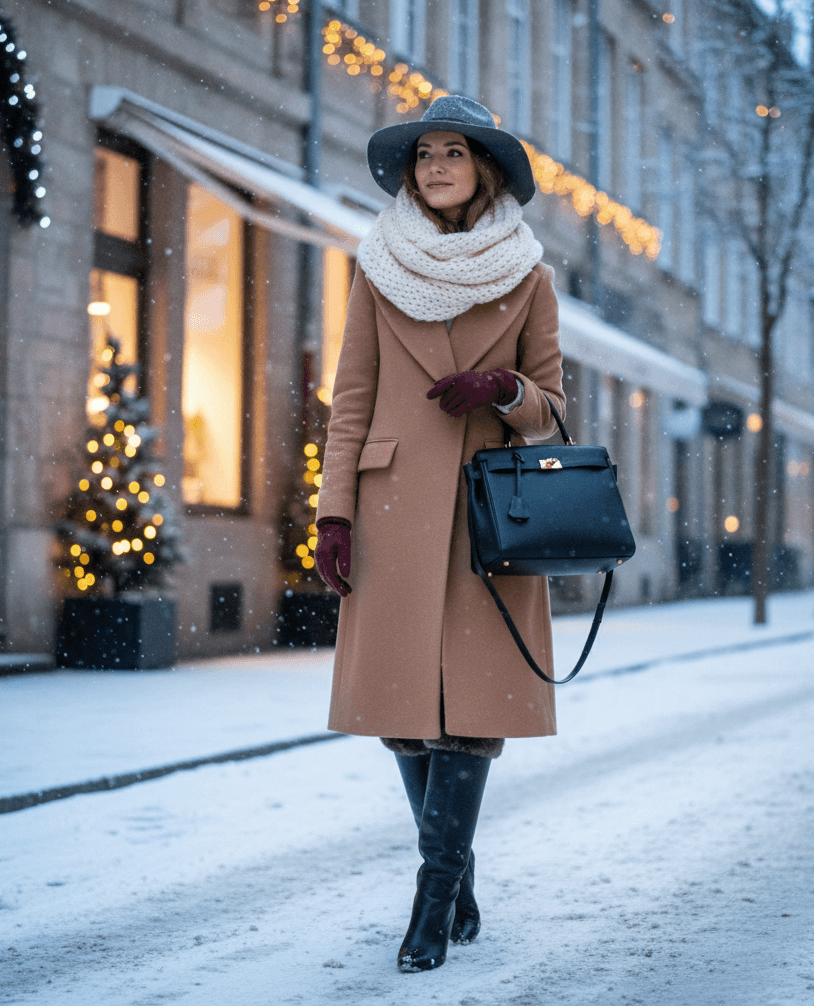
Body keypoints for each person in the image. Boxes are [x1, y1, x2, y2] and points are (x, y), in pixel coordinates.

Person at [314, 95, 565, 973]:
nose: (433, 166)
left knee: (467, 719)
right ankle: (457, 880)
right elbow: (349, 403)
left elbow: (555, 415)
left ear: (483, 168)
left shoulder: (529, 276)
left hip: (487, 518)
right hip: (391, 513)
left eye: (451, 151)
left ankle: (431, 899)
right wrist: (333, 512)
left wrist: (501, 390)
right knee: (404, 718)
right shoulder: (378, 267)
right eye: (423, 155)